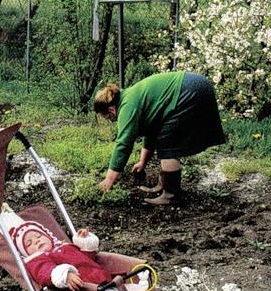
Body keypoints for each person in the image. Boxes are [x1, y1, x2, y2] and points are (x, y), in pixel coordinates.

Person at [10, 220, 186, 291]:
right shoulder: (37, 261)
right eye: (29, 243)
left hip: (107, 282)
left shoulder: (64, 247)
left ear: (47, 235)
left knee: (135, 289)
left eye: (38, 236)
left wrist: (84, 240)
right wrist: (65, 274)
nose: (36, 242)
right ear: (26, 252)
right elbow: (46, 273)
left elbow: (89, 257)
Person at [94, 71, 225, 205]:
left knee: (167, 142)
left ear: (111, 110)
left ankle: (171, 195)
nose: (112, 121)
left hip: (189, 89)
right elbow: (152, 131)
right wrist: (142, 162)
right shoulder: (130, 97)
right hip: (195, 85)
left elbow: (123, 143)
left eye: (108, 118)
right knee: (164, 134)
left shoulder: (127, 106)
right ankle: (165, 185)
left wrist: (110, 178)